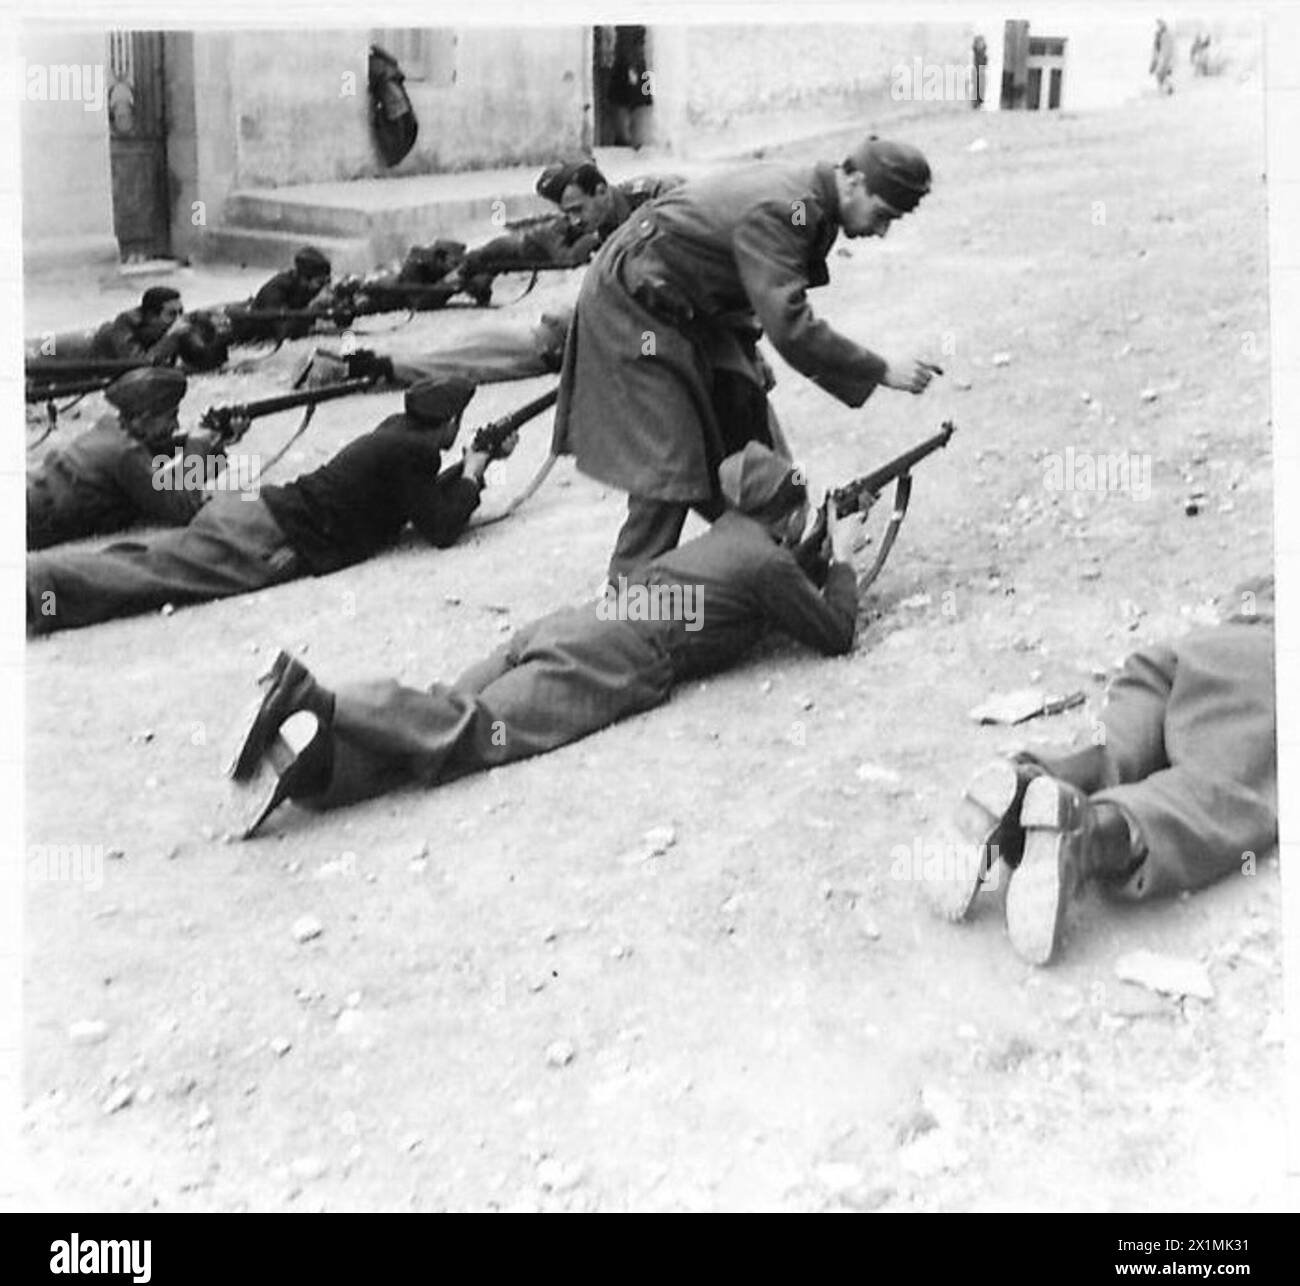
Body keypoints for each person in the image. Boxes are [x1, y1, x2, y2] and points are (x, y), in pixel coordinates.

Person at [224, 441, 862, 838]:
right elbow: (834, 634)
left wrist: (807, 557)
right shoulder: (768, 563)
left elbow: (748, 583)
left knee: (440, 734)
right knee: (472, 731)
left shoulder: (729, 535)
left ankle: (317, 773)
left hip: (573, 624)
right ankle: (320, 700)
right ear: (787, 508)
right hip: (617, 655)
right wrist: (843, 561)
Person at [552, 134, 941, 583]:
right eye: (882, 215)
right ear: (852, 180)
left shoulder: (815, 201)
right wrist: (881, 369)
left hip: (690, 307)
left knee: (744, 410)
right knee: (671, 460)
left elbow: (738, 272)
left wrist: (745, 351)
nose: (881, 231)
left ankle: (775, 557)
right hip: (633, 306)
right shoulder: (788, 208)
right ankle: (626, 600)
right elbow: (792, 327)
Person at [938, 576, 1277, 965]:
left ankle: (1023, 787)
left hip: (1190, 652)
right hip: (1266, 667)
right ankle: (1090, 835)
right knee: (1220, 791)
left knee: (1111, 748)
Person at [27, 380, 505, 635]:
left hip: (258, 512)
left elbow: (414, 500)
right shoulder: (412, 450)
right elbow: (440, 528)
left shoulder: (394, 431)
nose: (174, 423)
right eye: (168, 418)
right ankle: (37, 585)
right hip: (269, 535)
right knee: (153, 575)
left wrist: (467, 468)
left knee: (145, 561)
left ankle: (43, 580)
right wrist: (475, 471)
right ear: (450, 422)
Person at [26, 367, 217, 550]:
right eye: (170, 416)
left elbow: (152, 470)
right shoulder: (125, 453)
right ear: (144, 417)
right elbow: (184, 510)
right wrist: (197, 446)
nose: (175, 425)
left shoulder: (109, 430)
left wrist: (212, 445)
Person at [458, 159, 683, 281]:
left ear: (601, 191)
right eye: (568, 213)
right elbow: (525, 246)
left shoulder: (658, 197)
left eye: (577, 209)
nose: (574, 220)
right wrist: (472, 263)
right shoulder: (588, 220)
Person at [302, 307, 574, 390]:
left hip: (531, 337)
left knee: (443, 356)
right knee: (450, 365)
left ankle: (359, 364)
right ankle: (361, 367)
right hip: (537, 345)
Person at [227, 246, 334, 343]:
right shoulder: (277, 289)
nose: (325, 287)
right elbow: (283, 331)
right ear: (304, 280)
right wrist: (314, 308)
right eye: (321, 283)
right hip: (252, 332)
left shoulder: (308, 288)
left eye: (328, 281)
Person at [90, 286, 188, 364]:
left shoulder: (171, 326)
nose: (178, 320)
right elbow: (137, 362)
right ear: (151, 316)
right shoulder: (126, 323)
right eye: (171, 314)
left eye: (181, 312)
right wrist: (170, 338)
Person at [1150, 19, 1175, 95]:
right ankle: (1167, 88)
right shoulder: (1162, 39)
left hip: (1164, 60)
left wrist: (1154, 64)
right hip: (1163, 60)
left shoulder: (1165, 37)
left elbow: (1164, 51)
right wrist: (1153, 64)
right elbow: (1156, 52)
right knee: (1161, 76)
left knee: (1160, 76)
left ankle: (1165, 90)